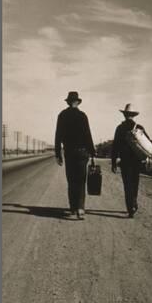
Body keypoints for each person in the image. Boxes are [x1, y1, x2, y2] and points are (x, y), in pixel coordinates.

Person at [54, 91, 96, 220]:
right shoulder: (83, 116)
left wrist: (58, 154)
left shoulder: (62, 115)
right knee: (81, 180)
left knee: (71, 180)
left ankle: (73, 208)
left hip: (69, 152)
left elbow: (58, 135)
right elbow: (88, 134)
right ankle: (80, 208)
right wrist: (92, 152)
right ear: (77, 102)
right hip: (83, 152)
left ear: (68, 102)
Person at [111, 103, 152, 218]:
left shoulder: (120, 128)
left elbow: (115, 146)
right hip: (137, 161)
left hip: (125, 161)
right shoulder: (139, 127)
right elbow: (147, 143)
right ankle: (134, 202)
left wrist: (114, 162)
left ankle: (130, 208)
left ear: (124, 115)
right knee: (135, 183)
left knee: (127, 184)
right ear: (134, 115)